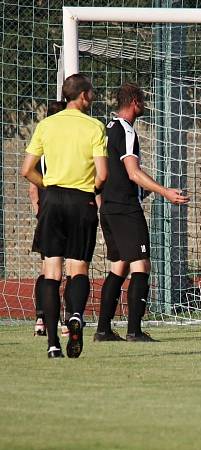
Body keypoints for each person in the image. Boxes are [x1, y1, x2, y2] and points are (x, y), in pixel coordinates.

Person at [21, 73, 108, 358]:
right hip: (81, 200)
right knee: (78, 268)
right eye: (91, 93)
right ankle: (75, 317)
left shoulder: (46, 125)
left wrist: (49, 185)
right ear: (83, 95)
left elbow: (27, 170)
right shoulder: (95, 127)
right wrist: (87, 189)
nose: (92, 97)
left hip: (53, 199)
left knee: (52, 271)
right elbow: (103, 174)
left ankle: (52, 344)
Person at [94, 83, 190, 343]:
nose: (145, 104)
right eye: (143, 100)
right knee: (142, 266)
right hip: (124, 209)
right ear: (135, 101)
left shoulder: (105, 129)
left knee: (119, 266)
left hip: (109, 208)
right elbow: (132, 173)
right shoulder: (125, 131)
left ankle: (103, 330)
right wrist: (164, 192)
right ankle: (134, 331)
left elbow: (102, 173)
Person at [30, 100, 66, 336]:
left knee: (48, 267)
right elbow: (32, 184)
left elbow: (31, 184)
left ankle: (42, 320)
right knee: (64, 269)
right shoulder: (57, 146)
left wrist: (39, 210)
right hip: (63, 211)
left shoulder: (42, 143)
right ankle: (64, 319)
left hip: (48, 212)